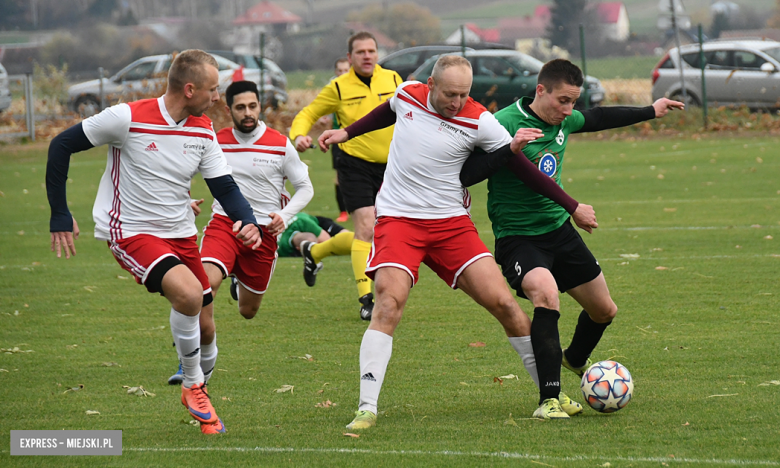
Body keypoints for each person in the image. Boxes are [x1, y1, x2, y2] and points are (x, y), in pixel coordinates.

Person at [318, 55, 598, 427]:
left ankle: (550, 393)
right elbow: (387, 111)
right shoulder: (408, 95)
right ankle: (366, 408)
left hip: (451, 224)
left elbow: (522, 170)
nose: (456, 102)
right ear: (431, 86)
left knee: (505, 305)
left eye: (464, 94)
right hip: (399, 221)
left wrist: (572, 205)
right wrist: (347, 133)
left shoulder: (481, 119)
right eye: (450, 94)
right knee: (389, 302)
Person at [46, 50, 263, 435]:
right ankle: (193, 386)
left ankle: (200, 386)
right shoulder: (126, 117)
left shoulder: (202, 129)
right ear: (191, 88)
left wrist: (248, 219)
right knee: (190, 296)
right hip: (131, 231)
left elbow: (224, 187)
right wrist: (60, 213)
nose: (218, 98)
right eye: (213, 90)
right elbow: (61, 145)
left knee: (207, 329)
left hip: (180, 233)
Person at [460, 58, 684, 409]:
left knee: (604, 311)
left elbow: (596, 118)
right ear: (540, 90)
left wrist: (650, 111)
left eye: (573, 102)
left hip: (559, 233)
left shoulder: (564, 118)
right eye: (562, 101)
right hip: (518, 238)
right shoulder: (502, 124)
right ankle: (549, 399)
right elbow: (466, 172)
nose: (568, 110)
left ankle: (575, 358)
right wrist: (508, 150)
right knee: (546, 295)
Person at [167, 81, 314, 396]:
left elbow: (306, 187)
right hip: (226, 224)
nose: (247, 113)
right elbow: (179, 173)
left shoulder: (279, 143)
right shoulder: (214, 141)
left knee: (248, 311)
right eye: (240, 107)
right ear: (228, 108)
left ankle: (237, 279)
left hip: (264, 234)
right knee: (201, 287)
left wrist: (284, 217)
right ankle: (192, 361)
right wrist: (184, 201)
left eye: (253, 106)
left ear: (260, 106)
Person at [290, 31, 402, 321]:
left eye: (371, 50)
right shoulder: (339, 87)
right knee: (366, 228)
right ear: (350, 57)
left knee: (377, 234)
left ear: (377, 54)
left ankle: (315, 253)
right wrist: (299, 135)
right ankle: (367, 298)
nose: (367, 55)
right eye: (360, 51)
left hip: (391, 167)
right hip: (354, 164)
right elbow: (307, 113)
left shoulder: (392, 80)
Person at [331, 58, 351, 223]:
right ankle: (343, 211)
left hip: (357, 137)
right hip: (338, 139)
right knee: (339, 176)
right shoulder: (333, 91)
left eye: (346, 70)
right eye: (340, 70)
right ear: (336, 72)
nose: (343, 73)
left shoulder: (356, 89)